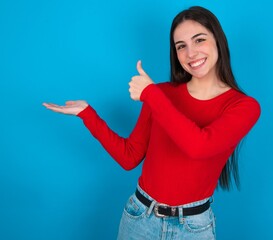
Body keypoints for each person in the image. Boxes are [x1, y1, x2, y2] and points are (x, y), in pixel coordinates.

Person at [43, 6, 260, 240]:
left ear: (218, 40)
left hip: (193, 229)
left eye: (199, 40)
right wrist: (87, 114)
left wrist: (151, 94)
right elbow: (129, 157)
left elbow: (199, 147)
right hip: (139, 219)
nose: (191, 53)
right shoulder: (160, 95)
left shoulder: (243, 106)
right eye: (181, 46)